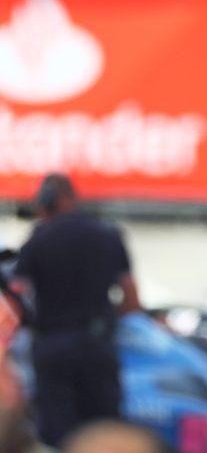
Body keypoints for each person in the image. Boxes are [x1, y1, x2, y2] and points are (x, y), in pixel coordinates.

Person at [9, 173, 142, 447]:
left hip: (52, 347)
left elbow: (16, 299)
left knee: (56, 435)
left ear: (48, 203)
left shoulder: (38, 240)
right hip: (98, 345)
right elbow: (131, 300)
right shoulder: (107, 235)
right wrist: (106, 322)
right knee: (105, 433)